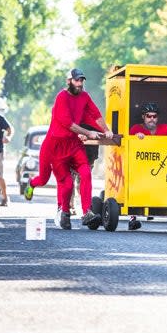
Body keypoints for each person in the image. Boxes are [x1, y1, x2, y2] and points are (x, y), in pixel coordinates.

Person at [24, 68, 111, 229]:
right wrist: (88, 133)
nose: (79, 84)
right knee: (53, 181)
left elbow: (95, 114)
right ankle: (37, 188)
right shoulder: (61, 97)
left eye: (81, 81)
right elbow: (68, 124)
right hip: (55, 147)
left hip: (73, 144)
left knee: (85, 172)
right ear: (69, 81)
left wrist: (106, 130)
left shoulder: (84, 97)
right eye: (77, 80)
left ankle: (86, 213)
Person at [127, 102, 167, 230]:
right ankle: (133, 217)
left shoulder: (164, 128)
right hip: (141, 168)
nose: (152, 119)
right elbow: (128, 141)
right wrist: (135, 137)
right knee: (135, 181)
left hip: (162, 168)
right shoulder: (136, 129)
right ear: (143, 117)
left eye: (154, 116)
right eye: (149, 116)